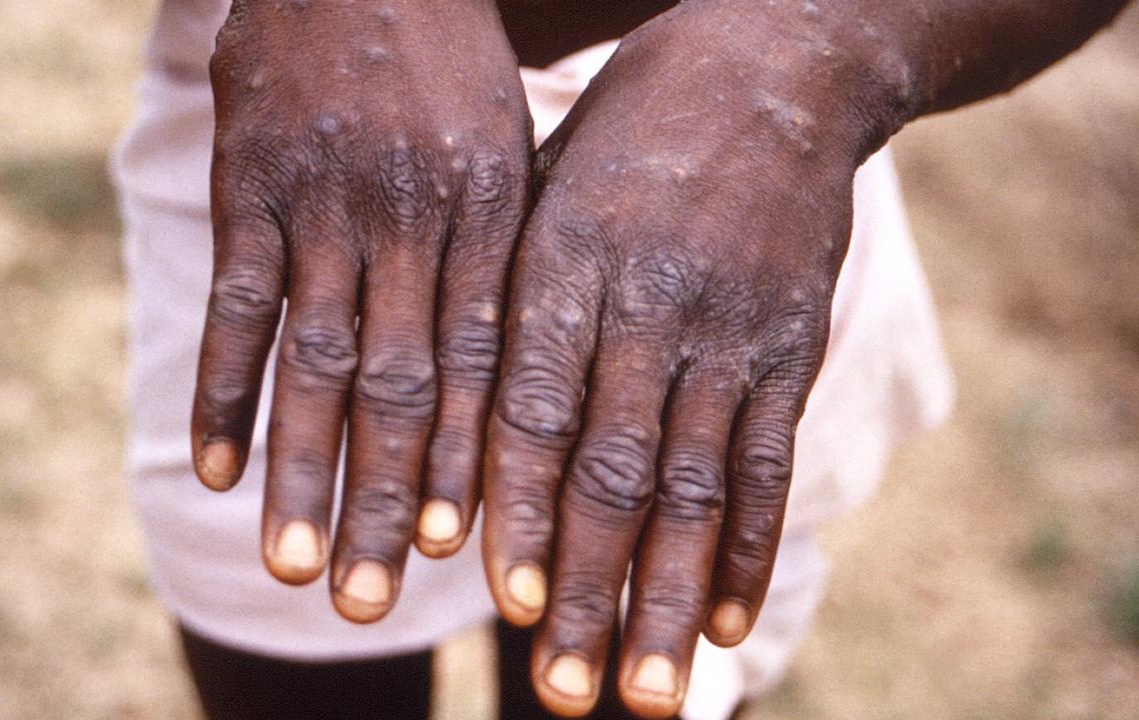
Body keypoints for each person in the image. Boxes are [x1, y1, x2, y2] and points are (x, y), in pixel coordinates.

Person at [110, 1, 1129, 718]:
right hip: (311, 165)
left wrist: (822, 48)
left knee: (628, 658)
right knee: (288, 642)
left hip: (732, 198)